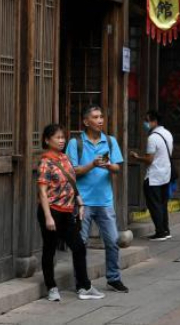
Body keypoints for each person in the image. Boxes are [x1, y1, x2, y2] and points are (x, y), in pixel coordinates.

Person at [37, 124, 105, 301]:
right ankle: (51, 287)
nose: (61, 141)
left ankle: (84, 287)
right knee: (49, 249)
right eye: (57, 138)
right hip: (51, 211)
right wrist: (48, 217)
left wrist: (80, 202)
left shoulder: (65, 158)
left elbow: (71, 182)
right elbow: (43, 192)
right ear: (47, 140)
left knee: (79, 247)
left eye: (62, 137)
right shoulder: (46, 162)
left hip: (68, 211)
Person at [67, 105, 129, 294]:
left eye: (101, 116)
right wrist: (92, 164)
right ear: (86, 122)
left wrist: (108, 166)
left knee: (112, 240)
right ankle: (82, 282)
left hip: (105, 201)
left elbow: (118, 168)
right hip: (82, 202)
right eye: (95, 117)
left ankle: (113, 278)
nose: (100, 120)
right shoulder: (75, 143)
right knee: (81, 244)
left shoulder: (109, 141)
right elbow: (72, 172)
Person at [130, 110, 173, 242]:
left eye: (147, 120)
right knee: (162, 204)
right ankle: (165, 230)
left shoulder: (152, 137)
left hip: (154, 176)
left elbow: (149, 159)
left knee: (154, 204)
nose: (145, 123)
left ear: (154, 121)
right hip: (166, 174)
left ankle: (159, 232)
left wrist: (137, 158)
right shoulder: (167, 133)